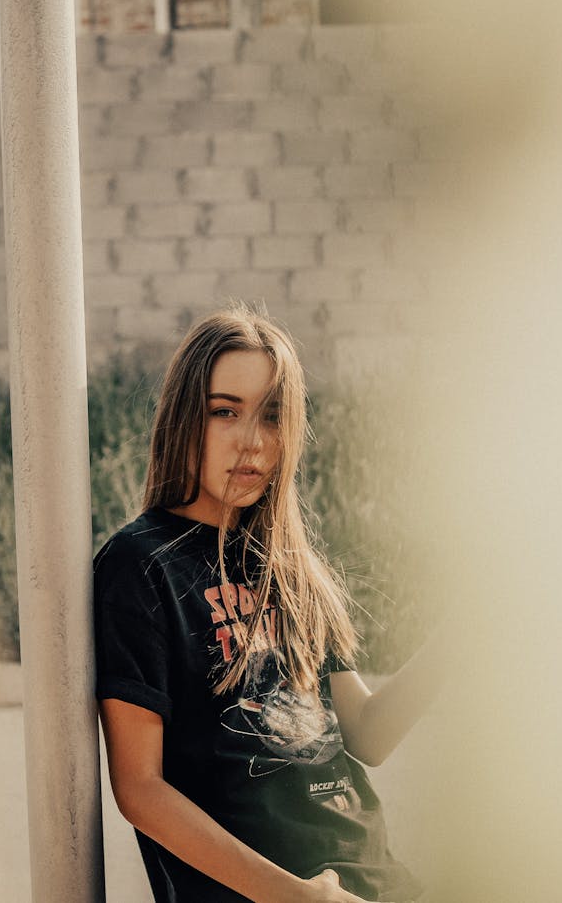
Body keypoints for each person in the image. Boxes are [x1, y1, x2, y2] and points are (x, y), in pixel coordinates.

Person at [94, 306, 443, 903]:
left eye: (272, 417)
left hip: (376, 879)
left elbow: (366, 736)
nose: (252, 441)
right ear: (185, 418)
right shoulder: (140, 564)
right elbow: (140, 789)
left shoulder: (287, 564)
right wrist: (294, 897)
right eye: (224, 412)